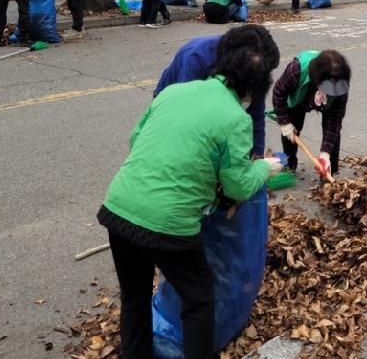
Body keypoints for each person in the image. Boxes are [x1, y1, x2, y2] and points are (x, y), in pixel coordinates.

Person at [98, 47, 283, 359]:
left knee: (135, 296)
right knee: (199, 298)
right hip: (168, 224)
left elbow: (135, 139)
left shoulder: (174, 93)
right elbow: (238, 187)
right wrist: (265, 167)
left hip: (118, 209)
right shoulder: (236, 118)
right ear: (254, 89)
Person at [153, 24, 281, 157]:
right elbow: (188, 117)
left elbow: (256, 117)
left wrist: (257, 159)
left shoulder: (255, 70)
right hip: (174, 103)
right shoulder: (198, 59)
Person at [273, 49, 352, 178]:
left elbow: (334, 121)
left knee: (333, 131)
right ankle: (290, 164)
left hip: (327, 104)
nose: (331, 91)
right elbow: (278, 93)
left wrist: (325, 154)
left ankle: (327, 171)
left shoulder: (341, 86)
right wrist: (284, 122)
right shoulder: (296, 70)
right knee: (292, 127)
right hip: (300, 97)